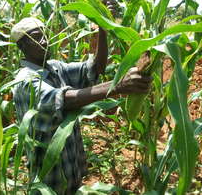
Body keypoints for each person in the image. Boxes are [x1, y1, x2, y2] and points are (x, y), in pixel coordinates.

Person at [11, 16, 151, 194]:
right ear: (22, 46)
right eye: (36, 37)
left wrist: (102, 25)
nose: (44, 40)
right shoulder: (26, 79)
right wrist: (118, 85)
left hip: (71, 167)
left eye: (45, 34)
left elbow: (95, 68)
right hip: (49, 178)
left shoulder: (54, 67)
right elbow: (65, 99)